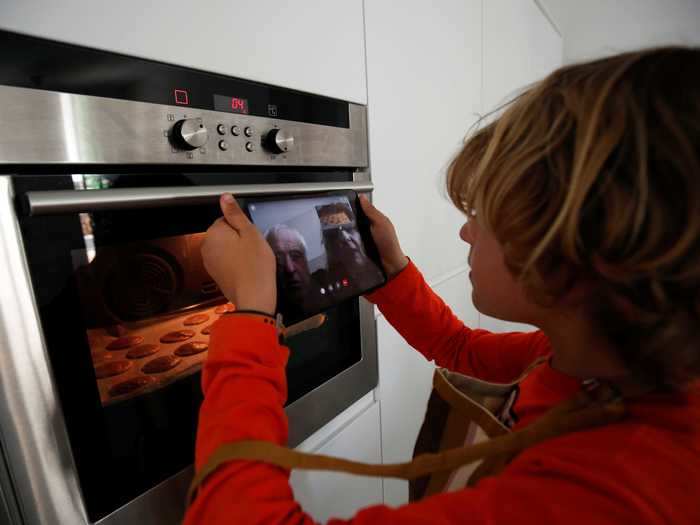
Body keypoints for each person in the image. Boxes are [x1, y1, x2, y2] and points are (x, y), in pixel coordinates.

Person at [188, 47, 700, 524]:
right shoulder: (603, 358)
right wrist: (391, 275)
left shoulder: (603, 495)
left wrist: (251, 317)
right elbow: (459, 347)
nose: (465, 231)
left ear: (571, 245)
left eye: (483, 213)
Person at [264, 223, 324, 321]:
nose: (290, 269)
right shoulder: (270, 316)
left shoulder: (325, 280)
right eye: (278, 260)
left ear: (306, 259)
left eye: (295, 256)